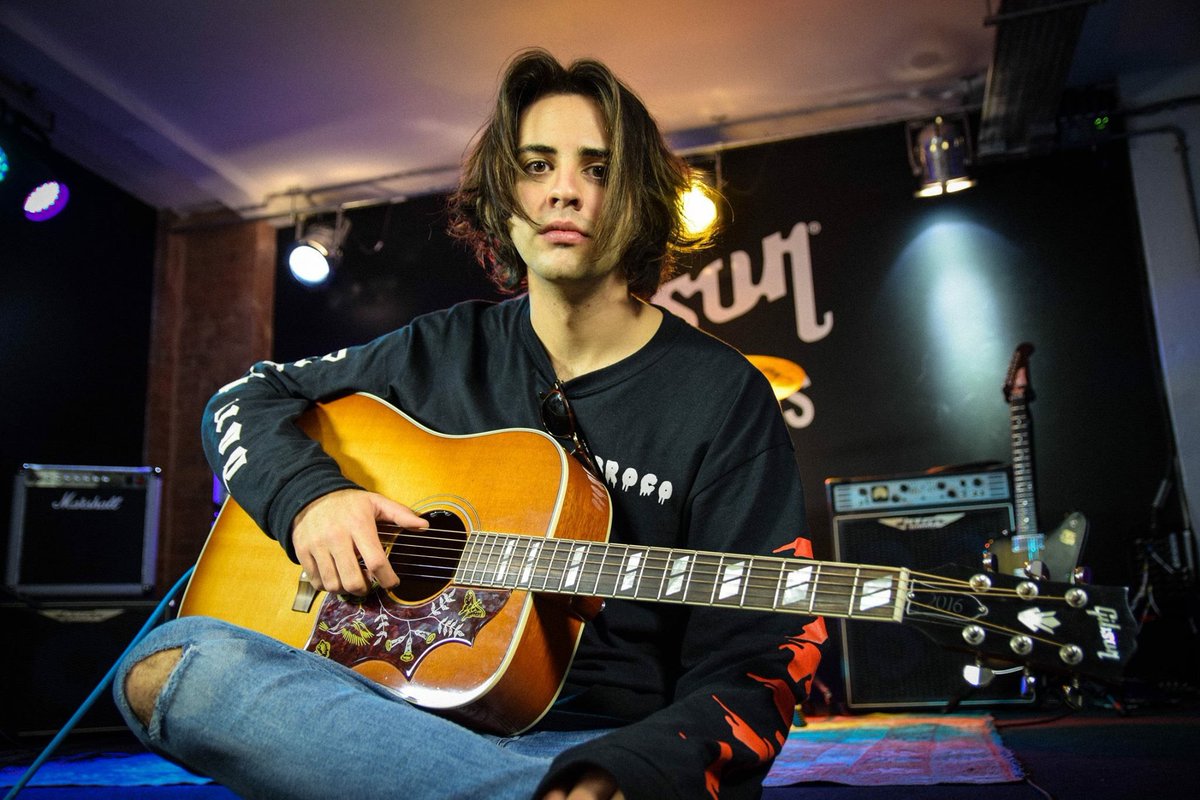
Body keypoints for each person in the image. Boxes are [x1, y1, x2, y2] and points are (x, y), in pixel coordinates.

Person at [114, 48, 826, 800]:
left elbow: (761, 652)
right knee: (170, 665)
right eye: (537, 165)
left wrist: (622, 772)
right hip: (386, 720)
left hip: (601, 743)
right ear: (503, 197)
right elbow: (242, 398)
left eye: (597, 168)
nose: (564, 193)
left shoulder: (721, 393)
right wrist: (311, 499)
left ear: (641, 198)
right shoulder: (439, 346)